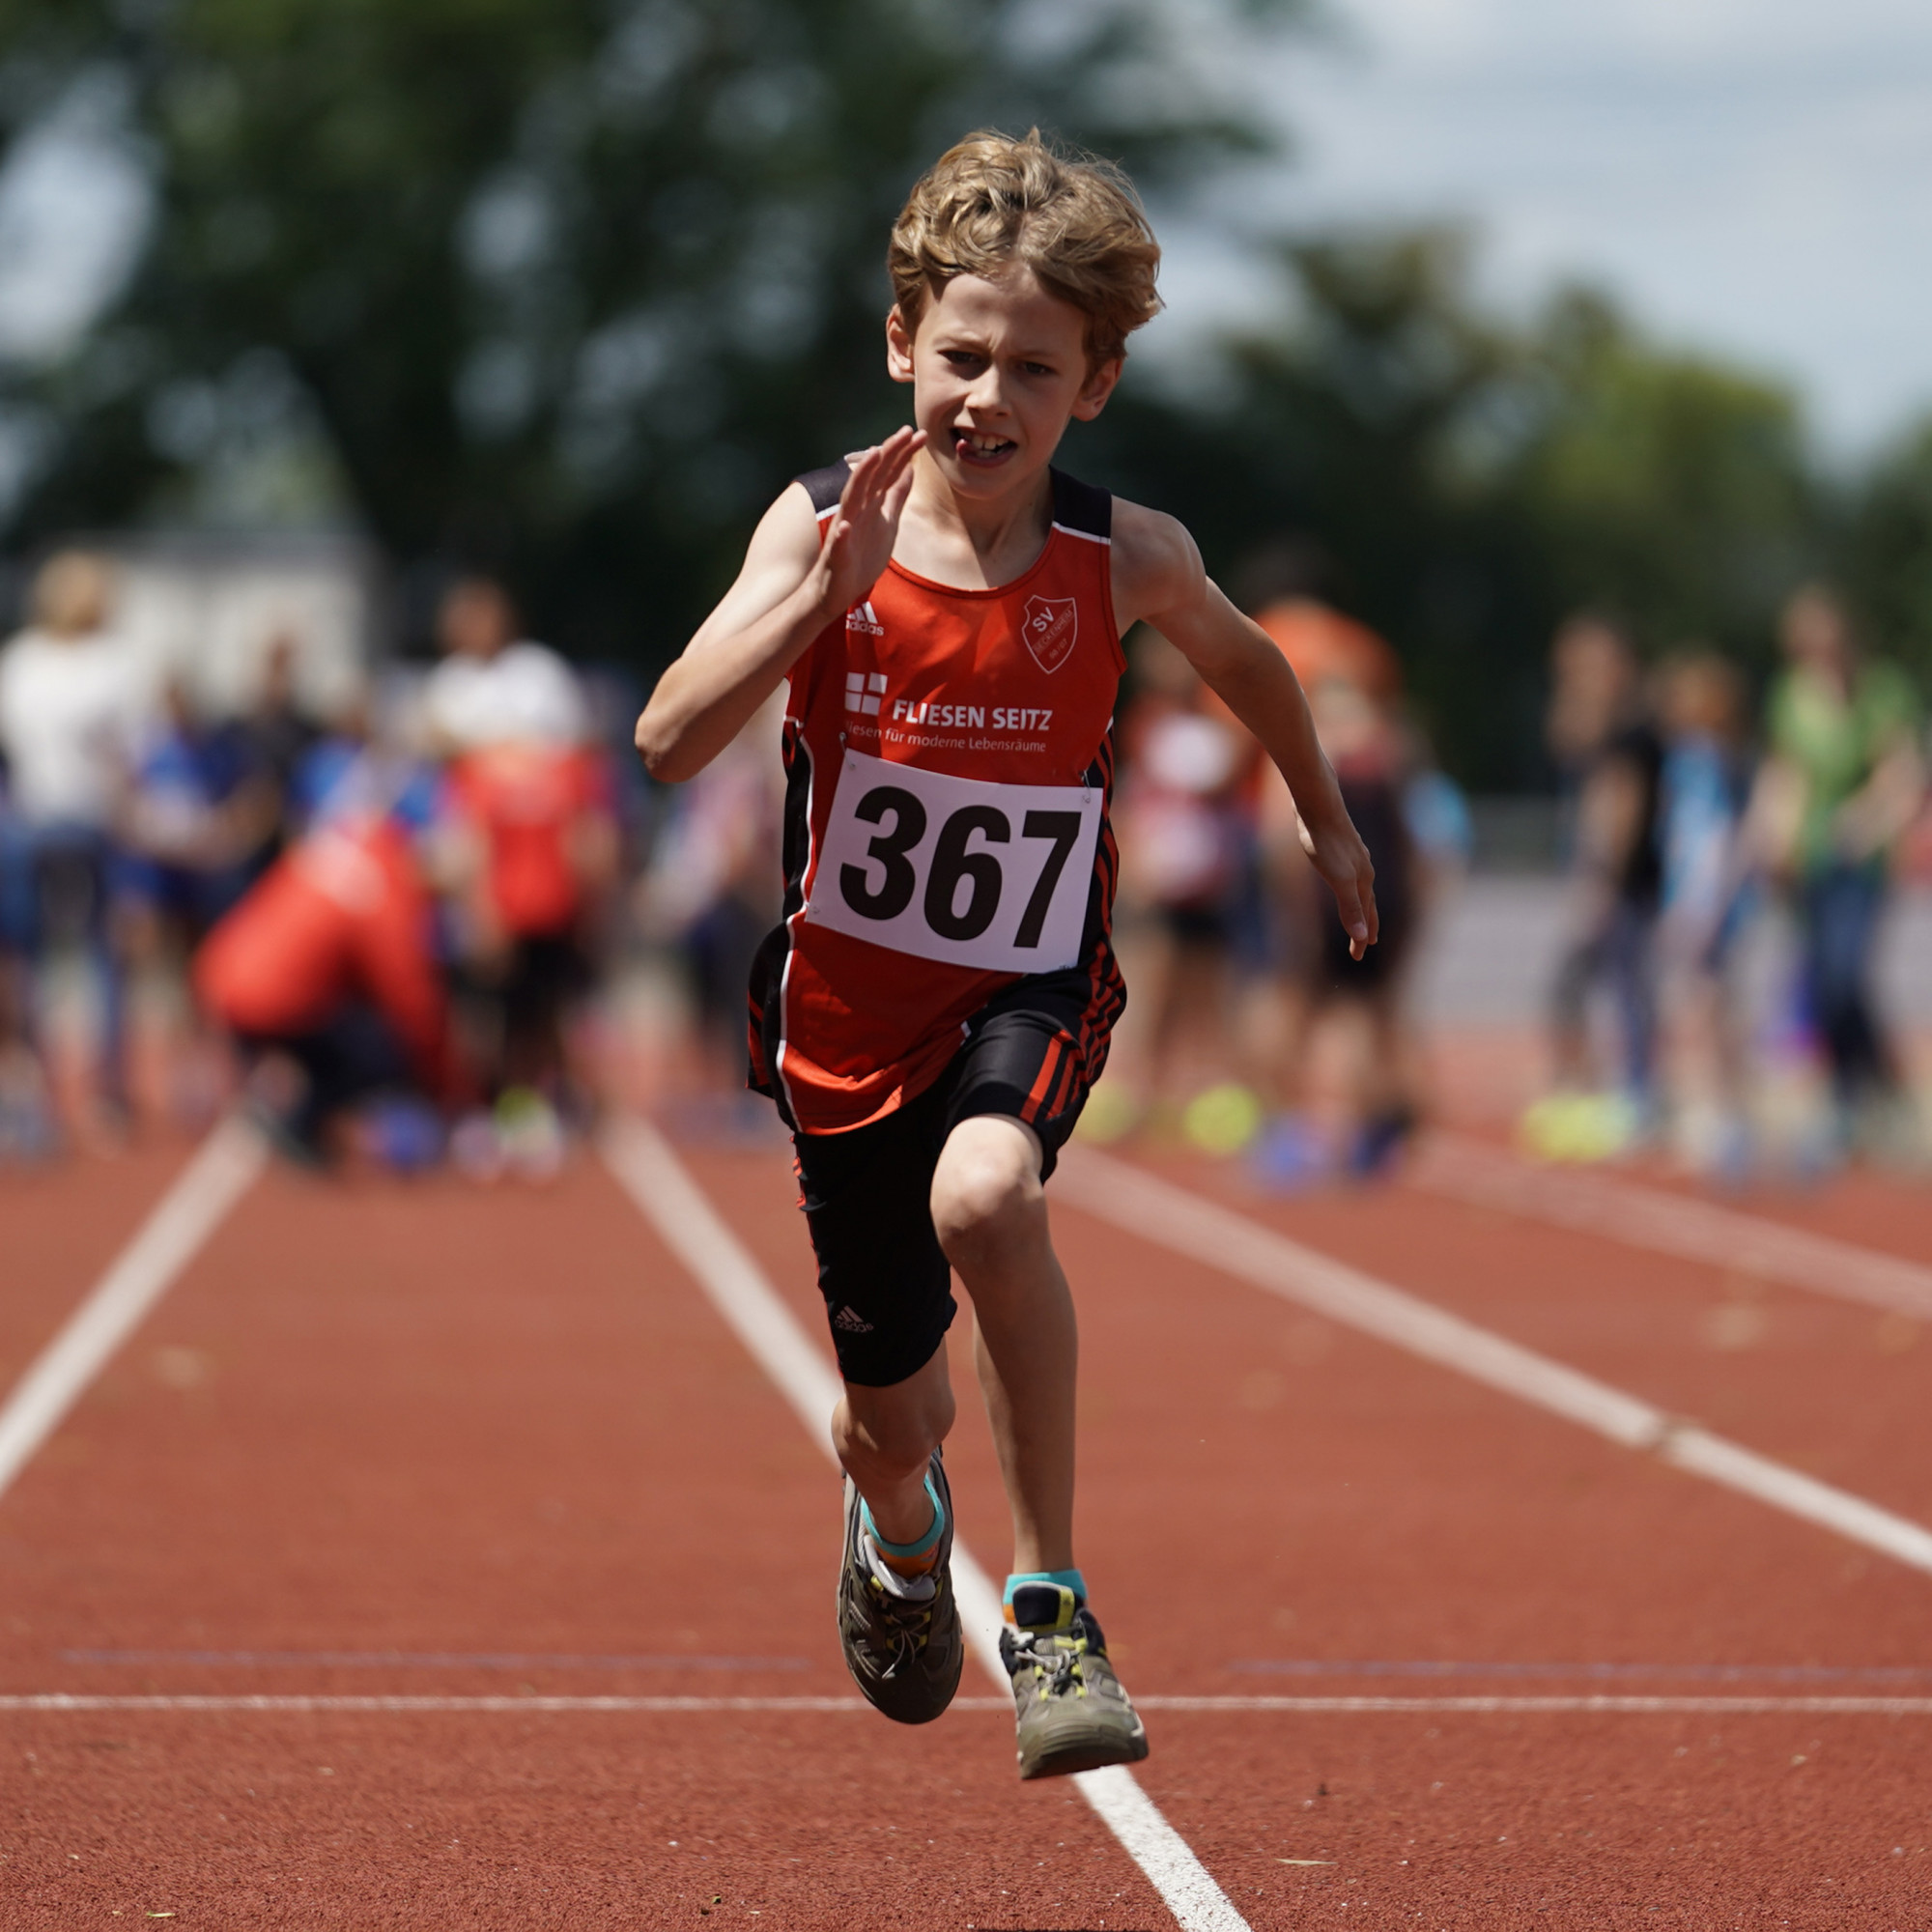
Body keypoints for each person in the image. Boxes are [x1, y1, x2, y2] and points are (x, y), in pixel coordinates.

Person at [634, 130, 1376, 1780]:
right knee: (895, 1419)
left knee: (989, 1197)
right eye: (960, 356)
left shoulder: (1128, 559)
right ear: (901, 342)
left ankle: (1047, 1606)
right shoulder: (824, 523)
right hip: (840, 1016)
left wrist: (1322, 815)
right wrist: (811, 606)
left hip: (1030, 984)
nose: (987, 397)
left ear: (1093, 385)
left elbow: (1252, 667)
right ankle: (899, 1528)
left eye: (1032, 369)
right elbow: (670, 736)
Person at [1762, 586, 1923, 1151]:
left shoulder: (1881, 690)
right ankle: (1851, 1095)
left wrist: (1863, 824)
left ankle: (1872, 1087)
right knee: (1823, 981)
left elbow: (1901, 774)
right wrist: (1774, 838)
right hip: (1811, 860)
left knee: (1848, 972)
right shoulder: (1791, 696)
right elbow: (1785, 776)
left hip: (1863, 860)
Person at [0, 551, 139, 1141]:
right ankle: (107, 1093)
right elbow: (123, 758)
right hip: (88, 824)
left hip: (28, 822)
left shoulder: (20, 661)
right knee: (101, 956)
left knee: (26, 960)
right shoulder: (111, 664)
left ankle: (36, 1092)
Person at [1525, 613, 1664, 1159]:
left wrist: (1604, 878)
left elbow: (1623, 808)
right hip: (1604, 876)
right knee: (1596, 986)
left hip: (1620, 881)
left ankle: (1630, 1094)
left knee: (1618, 987)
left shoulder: (1633, 731)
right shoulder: (1607, 728)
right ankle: (1602, 1088)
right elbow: (1564, 738)